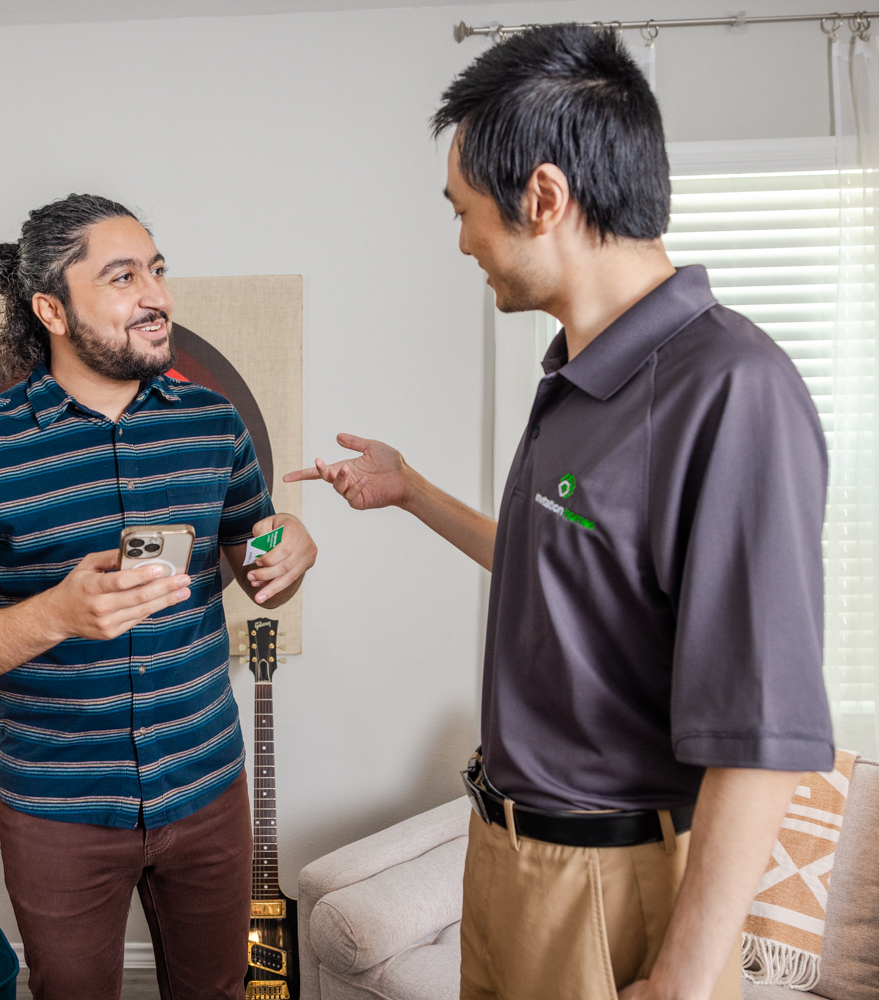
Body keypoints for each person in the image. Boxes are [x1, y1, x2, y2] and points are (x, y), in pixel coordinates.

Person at [288, 25, 833, 1000]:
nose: (461, 240)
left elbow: (764, 741)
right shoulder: (576, 380)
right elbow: (569, 574)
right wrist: (411, 491)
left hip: (609, 877)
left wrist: (678, 983)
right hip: (505, 855)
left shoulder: (733, 389)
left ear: (543, 197)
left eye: (464, 212)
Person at [0, 193, 317, 1000]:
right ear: (52, 308)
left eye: (157, 271)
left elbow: (258, 562)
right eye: (123, 276)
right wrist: (54, 614)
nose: (156, 295)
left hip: (207, 786)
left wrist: (291, 547)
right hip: (57, 811)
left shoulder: (214, 423)